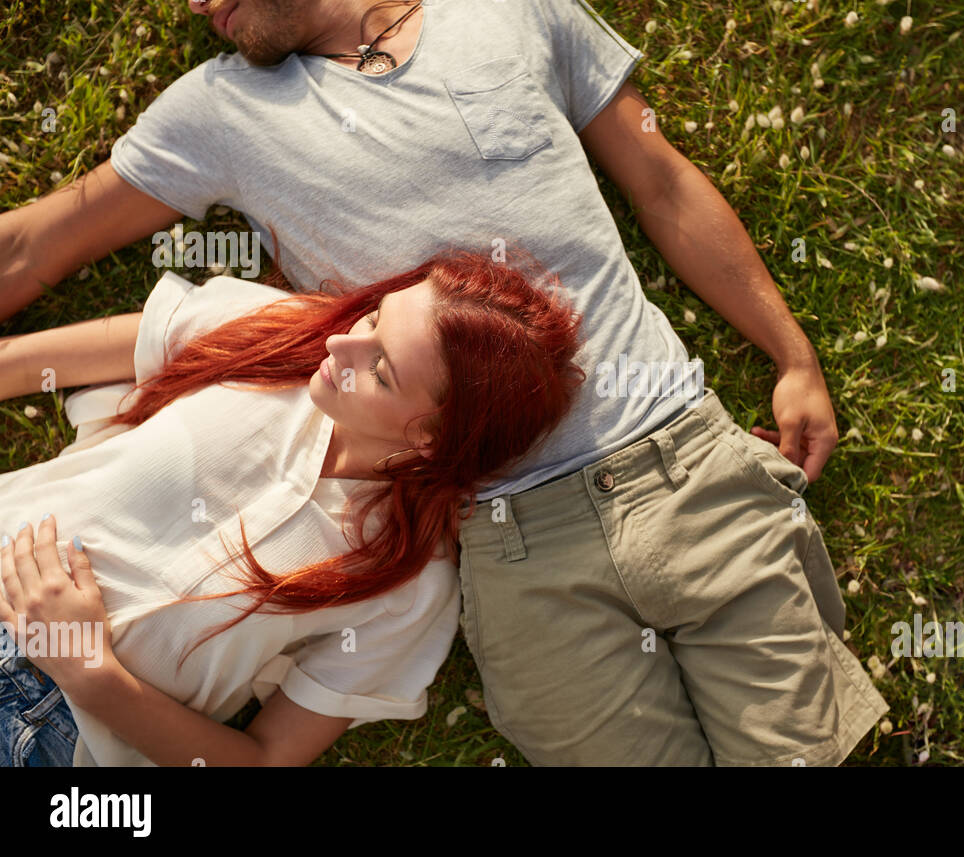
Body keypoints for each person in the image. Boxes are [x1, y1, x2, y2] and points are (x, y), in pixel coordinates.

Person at [0, 0, 889, 764]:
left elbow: (658, 180)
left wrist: (791, 354)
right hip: (507, 536)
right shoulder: (220, 111)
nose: (192, 5)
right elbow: (29, 246)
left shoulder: (510, 10)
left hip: (676, 459)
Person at [0, 248, 585, 766]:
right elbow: (36, 360)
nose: (339, 343)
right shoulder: (277, 335)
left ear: (431, 436)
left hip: (49, 729)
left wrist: (91, 674)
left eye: (379, 368)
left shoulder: (407, 584)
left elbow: (266, 758)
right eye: (375, 315)